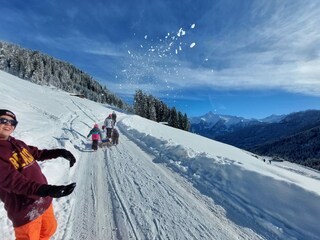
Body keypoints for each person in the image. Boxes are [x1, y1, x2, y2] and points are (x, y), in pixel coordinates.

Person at [0, 109, 76, 240]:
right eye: (3, 120)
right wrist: (46, 189)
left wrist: (59, 152)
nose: (9, 124)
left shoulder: (17, 143)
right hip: (24, 208)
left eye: (13, 122)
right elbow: (12, 181)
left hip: (43, 199)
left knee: (48, 230)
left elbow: (36, 153)